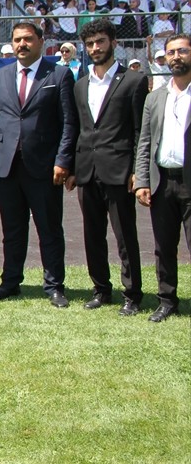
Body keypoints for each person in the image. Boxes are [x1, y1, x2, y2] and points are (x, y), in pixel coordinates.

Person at [0, 21, 77, 307]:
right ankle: (10, 282)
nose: (21, 45)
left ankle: (54, 286)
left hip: (45, 167)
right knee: (12, 229)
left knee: (49, 228)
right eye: (16, 40)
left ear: (40, 41)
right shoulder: (0, 77)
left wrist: (63, 160)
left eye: (27, 39)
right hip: (7, 166)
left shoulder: (59, 75)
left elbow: (69, 123)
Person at [70, 19, 148, 316]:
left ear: (113, 43)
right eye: (90, 44)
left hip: (119, 170)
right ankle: (101, 289)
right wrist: (73, 167)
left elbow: (141, 131)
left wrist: (137, 171)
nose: (95, 48)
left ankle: (132, 294)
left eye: (101, 42)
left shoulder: (133, 81)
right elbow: (79, 128)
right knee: (92, 234)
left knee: (125, 235)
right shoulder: (80, 85)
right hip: (87, 170)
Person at [134, 34, 191, 324]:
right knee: (163, 246)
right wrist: (142, 180)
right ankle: (167, 301)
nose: (176, 57)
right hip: (162, 181)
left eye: (182, 51)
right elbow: (145, 141)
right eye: (171, 52)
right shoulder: (155, 97)